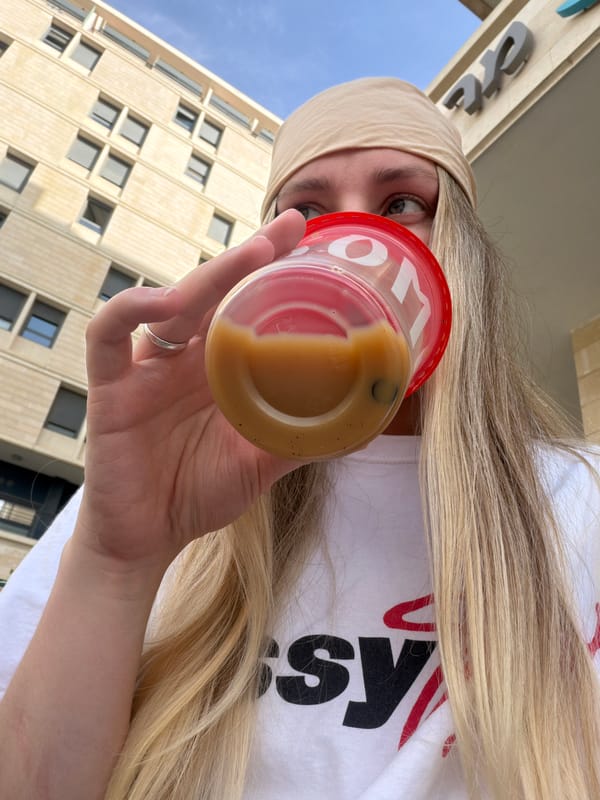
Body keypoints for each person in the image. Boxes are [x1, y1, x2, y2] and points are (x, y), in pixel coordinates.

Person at [0, 77, 599, 800]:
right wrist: (119, 560)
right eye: (305, 211)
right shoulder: (148, 506)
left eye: (402, 204)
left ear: (460, 254)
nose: (351, 241)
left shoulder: (581, 497)